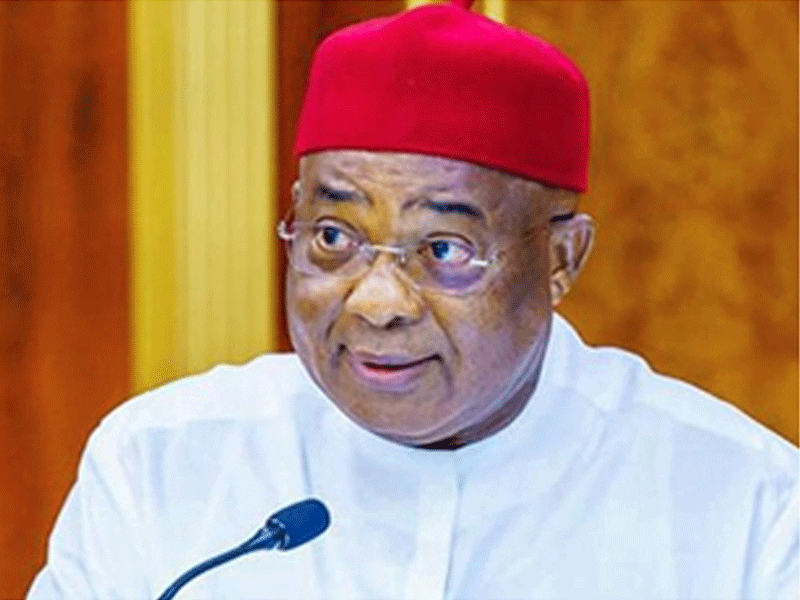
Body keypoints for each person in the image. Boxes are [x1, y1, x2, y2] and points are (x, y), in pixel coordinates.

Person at [28, 1, 797, 599]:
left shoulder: (744, 504)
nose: (377, 301)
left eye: (444, 250)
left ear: (562, 259)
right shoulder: (161, 463)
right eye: (334, 237)